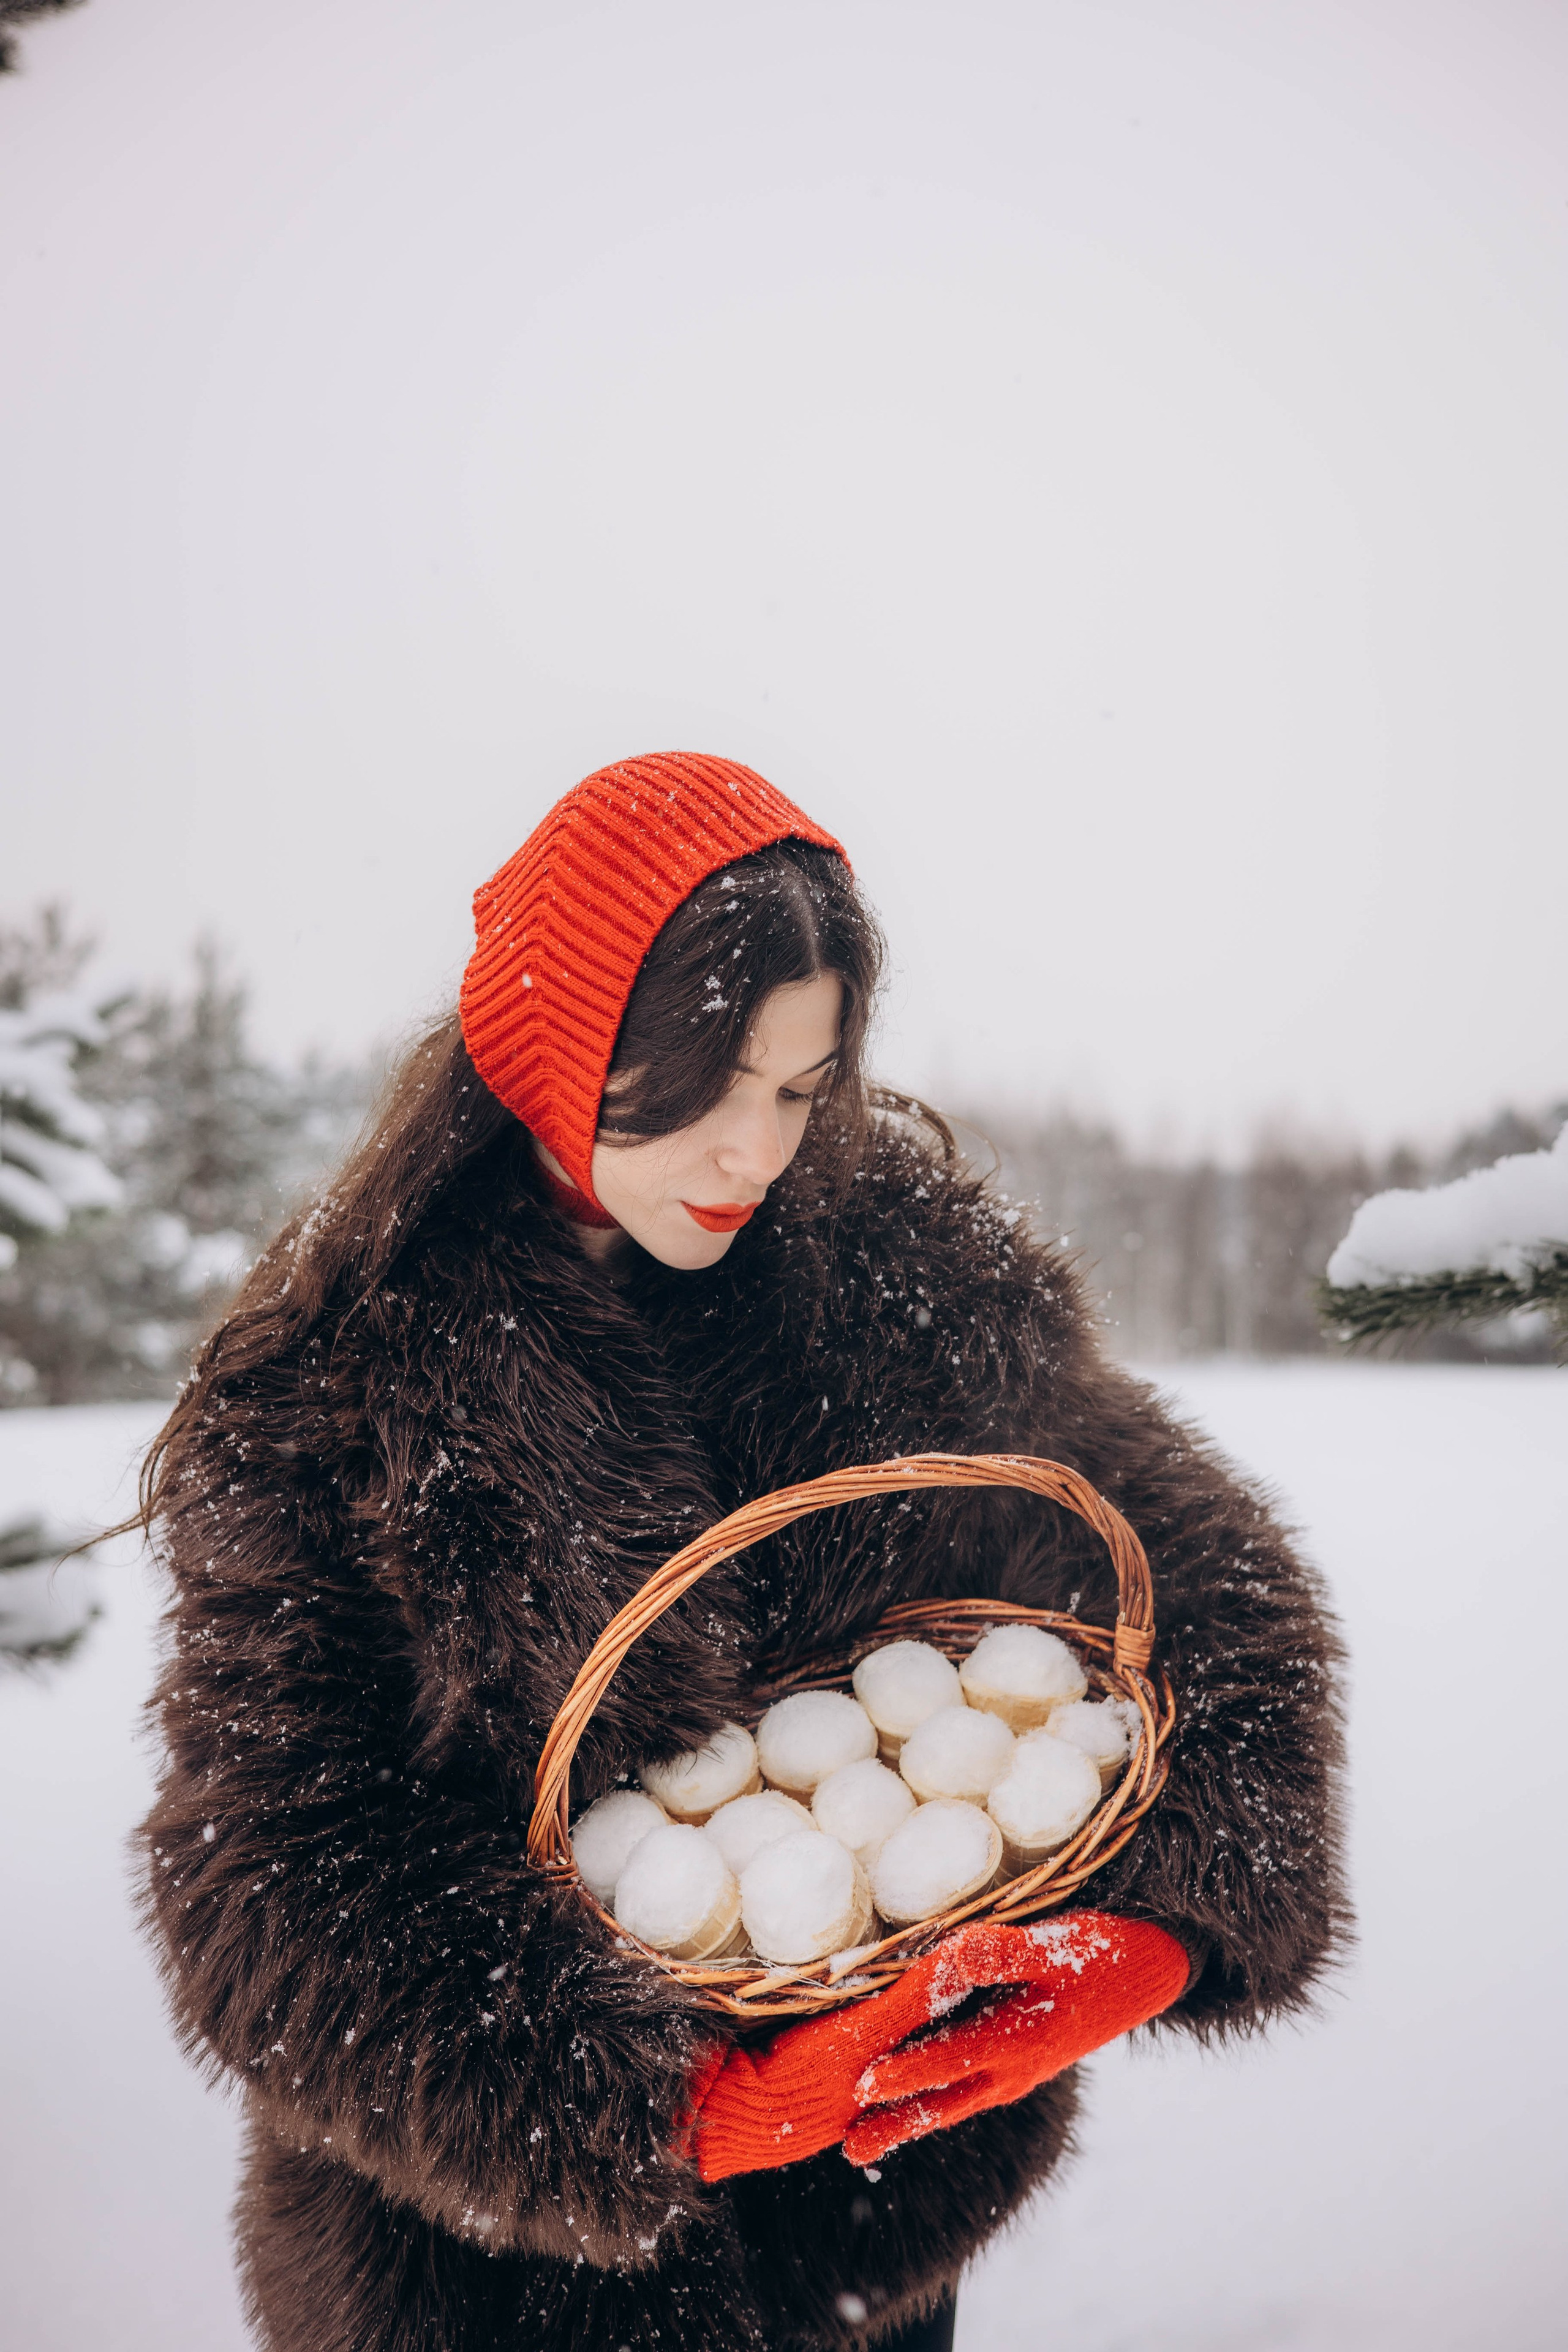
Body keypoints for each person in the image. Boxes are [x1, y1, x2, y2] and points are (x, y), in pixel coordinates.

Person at [135, 753, 1348, 2351]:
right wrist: (661, 2106)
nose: (752, 1154)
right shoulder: (336, 1375)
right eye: (705, 1087)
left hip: (871, 2199)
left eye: (797, 1090)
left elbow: (1197, 1574)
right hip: (493, 2266)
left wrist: (1163, 1932)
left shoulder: (902, 1282)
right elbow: (270, 1866)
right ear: (561, 1043)